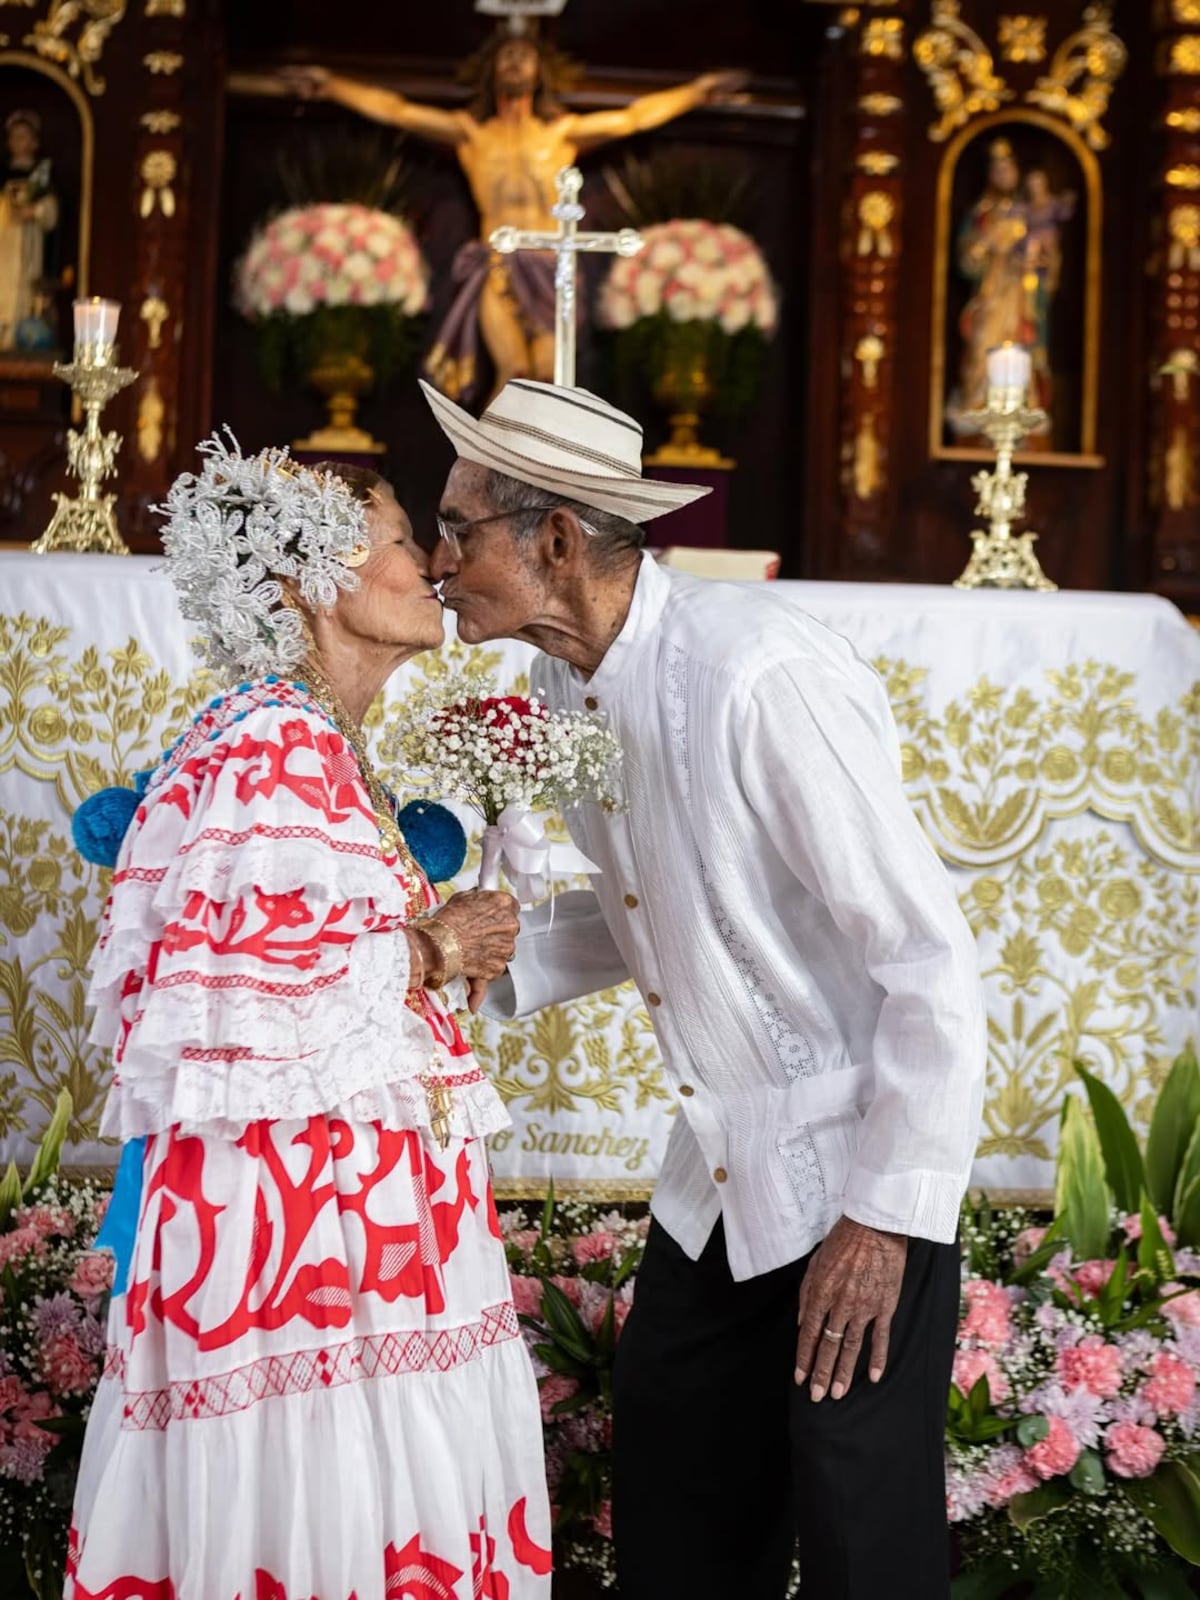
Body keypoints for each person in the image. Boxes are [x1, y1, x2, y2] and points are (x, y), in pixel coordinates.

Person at [419, 376, 987, 1599]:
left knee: (861, 1553)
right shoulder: (560, 685)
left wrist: (884, 1218)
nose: (436, 559)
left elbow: (928, 955)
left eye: (457, 528)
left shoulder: (758, 673)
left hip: (856, 1188)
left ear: (556, 541)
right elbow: (653, 915)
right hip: (717, 1186)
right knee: (676, 1528)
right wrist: (482, 947)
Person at [65, 441, 552, 1599]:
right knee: (309, 1518)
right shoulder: (268, 738)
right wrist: (439, 944)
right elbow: (238, 982)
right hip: (293, 1251)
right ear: (303, 578)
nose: (431, 563)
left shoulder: (311, 740)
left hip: (340, 1231)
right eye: (397, 539)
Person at [281, 31, 743, 402]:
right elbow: (396, 111)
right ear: (492, 68)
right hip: (499, 264)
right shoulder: (471, 135)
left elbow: (634, 118)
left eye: (526, 55)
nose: (517, 62)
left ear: (541, 71)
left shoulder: (561, 135)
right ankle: (492, 486)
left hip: (550, 265)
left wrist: (696, 92)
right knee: (511, 374)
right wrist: (331, 85)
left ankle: (542, 488)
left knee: (547, 375)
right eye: (508, 55)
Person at [951, 137, 1038, 431]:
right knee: (982, 346)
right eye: (997, 170)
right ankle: (978, 402)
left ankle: (1020, 407)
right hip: (990, 291)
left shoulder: (1030, 213)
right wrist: (986, 243)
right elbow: (966, 259)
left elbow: (1045, 254)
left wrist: (1033, 262)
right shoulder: (981, 214)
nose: (1003, 176)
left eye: (1008, 169)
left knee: (1022, 342)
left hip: (1020, 292)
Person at [0, 110, 57, 349]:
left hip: (29, 246)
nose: (19, 142)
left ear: (34, 142)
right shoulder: (3, 175)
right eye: (15, 137)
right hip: (5, 242)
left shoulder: (42, 180)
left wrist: (34, 211)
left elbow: (51, 213)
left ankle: (21, 336)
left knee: (26, 292)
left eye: (24, 137)